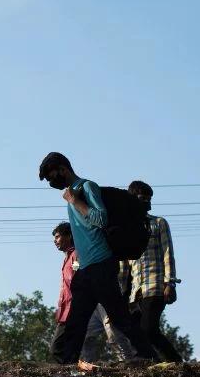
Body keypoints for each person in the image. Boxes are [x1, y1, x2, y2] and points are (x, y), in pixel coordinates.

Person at [39, 152, 158, 364]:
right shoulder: (72, 196)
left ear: (63, 169)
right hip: (86, 267)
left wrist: (75, 201)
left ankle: (148, 355)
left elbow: (100, 218)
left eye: (51, 176)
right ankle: (67, 363)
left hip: (101, 262)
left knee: (119, 316)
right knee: (77, 319)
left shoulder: (86, 187)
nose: (51, 182)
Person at [49, 222, 133, 363]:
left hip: (95, 300)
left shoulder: (78, 254)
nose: (55, 241)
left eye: (58, 237)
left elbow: (79, 275)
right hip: (78, 305)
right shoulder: (67, 258)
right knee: (86, 336)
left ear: (69, 236)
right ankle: (85, 365)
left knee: (113, 332)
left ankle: (129, 362)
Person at [119, 180, 184, 362]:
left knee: (148, 328)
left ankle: (168, 361)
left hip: (155, 284)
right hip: (135, 291)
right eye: (142, 198)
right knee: (138, 330)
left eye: (149, 199)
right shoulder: (126, 228)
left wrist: (170, 282)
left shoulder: (159, 223)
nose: (147, 203)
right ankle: (162, 361)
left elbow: (167, 253)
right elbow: (124, 262)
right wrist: (123, 290)